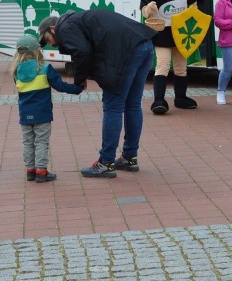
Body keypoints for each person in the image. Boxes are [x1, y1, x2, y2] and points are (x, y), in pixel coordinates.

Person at [38, 10, 156, 178]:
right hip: (144, 45)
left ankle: (106, 163)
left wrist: (79, 81)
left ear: (52, 28)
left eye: (46, 39)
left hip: (126, 52)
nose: (50, 44)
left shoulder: (64, 27)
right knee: (133, 105)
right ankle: (129, 158)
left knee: (113, 107)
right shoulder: (78, 20)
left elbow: (82, 52)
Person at [11, 34, 83, 183]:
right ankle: (41, 171)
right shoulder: (45, 68)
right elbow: (60, 86)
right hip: (42, 114)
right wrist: (77, 88)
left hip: (24, 115)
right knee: (41, 143)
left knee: (28, 143)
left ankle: (30, 171)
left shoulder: (16, 72)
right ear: (37, 51)